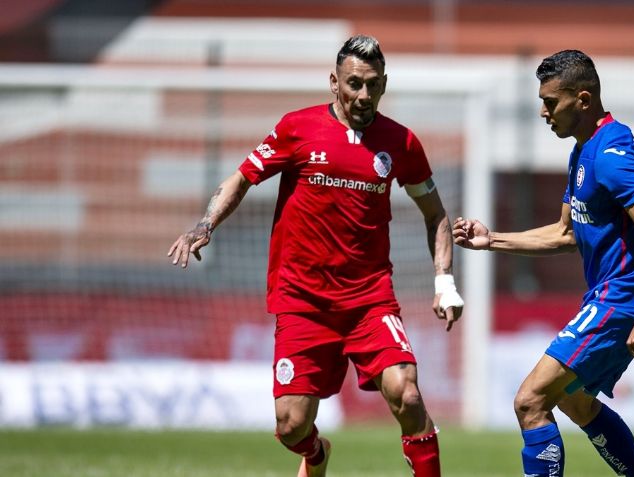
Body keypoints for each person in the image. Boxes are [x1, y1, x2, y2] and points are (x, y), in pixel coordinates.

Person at [168, 34, 464, 477]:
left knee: (408, 395)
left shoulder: (401, 143)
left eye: (373, 85)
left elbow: (436, 214)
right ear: (334, 82)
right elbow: (241, 179)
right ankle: (316, 454)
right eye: (354, 84)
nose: (363, 95)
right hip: (303, 302)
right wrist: (204, 225)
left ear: (384, 85)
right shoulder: (297, 128)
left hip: (369, 300)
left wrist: (444, 281)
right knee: (291, 425)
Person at [453, 50, 634, 477]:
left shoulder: (610, 154)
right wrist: (491, 239)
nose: (543, 112)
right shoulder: (583, 151)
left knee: (530, 400)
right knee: (575, 400)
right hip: (610, 297)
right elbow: (566, 233)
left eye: (551, 102)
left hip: (623, 299)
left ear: (584, 99)